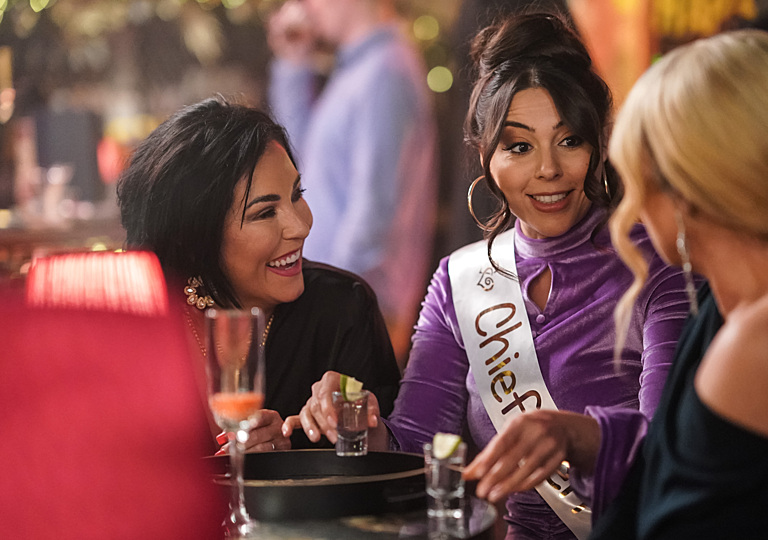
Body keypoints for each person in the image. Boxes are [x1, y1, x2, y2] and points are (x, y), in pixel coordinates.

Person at [283, 12, 693, 539]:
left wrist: (578, 436)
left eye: (569, 141)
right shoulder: (461, 280)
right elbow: (420, 446)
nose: (548, 169)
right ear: (485, 154)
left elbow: (679, 448)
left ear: (599, 143)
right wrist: (366, 427)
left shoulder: (653, 262)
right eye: (519, 146)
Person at [464, 27, 768, 540]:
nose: (624, 205)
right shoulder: (723, 303)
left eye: (638, 178)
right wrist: (577, 435)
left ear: (690, 193)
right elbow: (675, 459)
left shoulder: (753, 342)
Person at [116, 96, 401, 452]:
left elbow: (388, 468)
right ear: (195, 238)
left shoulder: (342, 309)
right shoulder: (139, 325)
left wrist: (297, 461)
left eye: (297, 194)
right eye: (265, 213)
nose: (300, 226)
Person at [267, 0, 438, 364]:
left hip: (357, 307)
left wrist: (329, 301)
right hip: (341, 300)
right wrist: (294, 64)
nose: (303, 6)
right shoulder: (360, 69)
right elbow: (297, 163)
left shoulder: (385, 70)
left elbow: (375, 211)